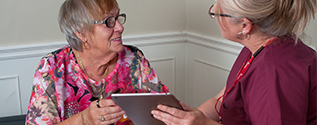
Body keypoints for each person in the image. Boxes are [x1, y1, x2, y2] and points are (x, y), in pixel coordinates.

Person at [152, 0, 317, 124]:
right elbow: (222, 99)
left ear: (245, 25)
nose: (213, 15)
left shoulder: (274, 71)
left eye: (218, 12)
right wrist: (190, 117)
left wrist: (204, 124)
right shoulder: (257, 46)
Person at [25, 0, 169, 125]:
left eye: (118, 18)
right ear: (80, 32)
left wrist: (187, 116)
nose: (120, 27)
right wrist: (85, 119)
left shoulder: (133, 59)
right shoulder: (52, 67)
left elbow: (164, 108)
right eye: (108, 21)